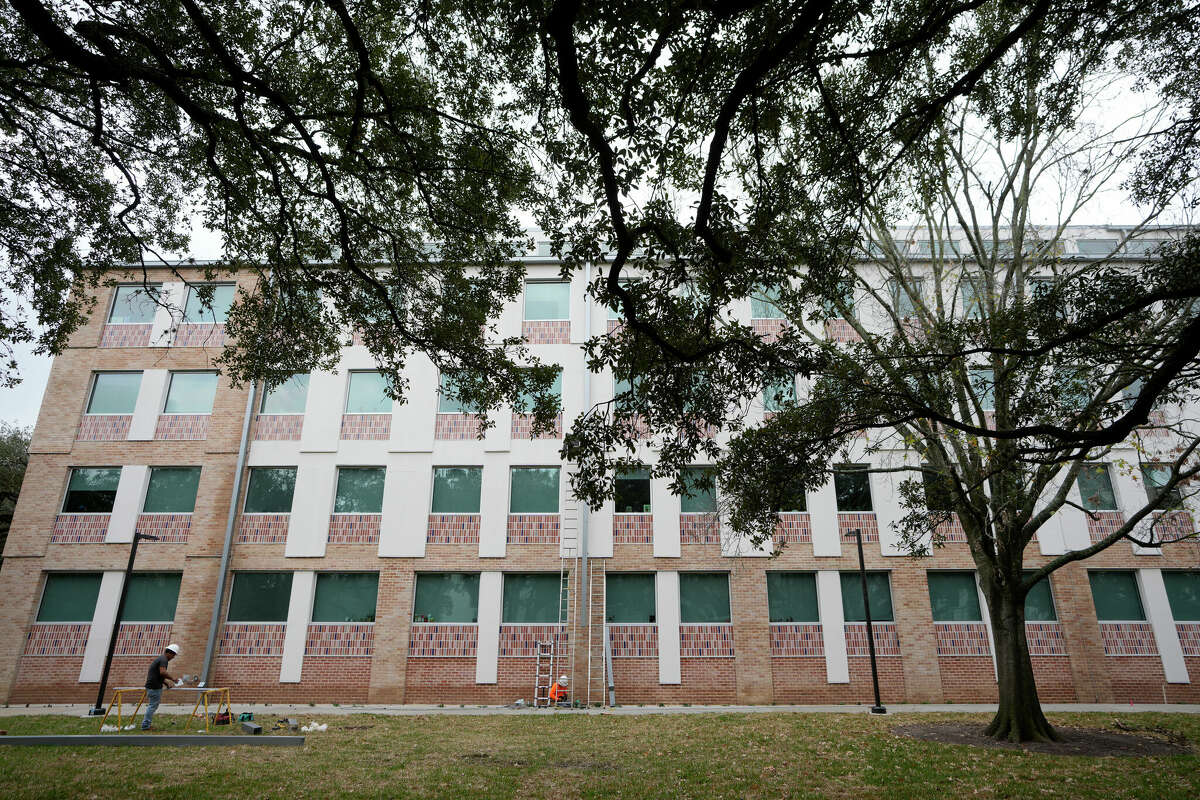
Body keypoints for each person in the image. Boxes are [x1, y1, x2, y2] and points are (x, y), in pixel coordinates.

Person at [141, 643, 179, 730]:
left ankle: (146, 725)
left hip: (152, 686)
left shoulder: (161, 659)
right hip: (154, 687)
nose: (173, 657)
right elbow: (162, 672)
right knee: (152, 706)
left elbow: (158, 675)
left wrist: (166, 683)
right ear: (170, 653)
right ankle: (146, 726)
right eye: (173, 655)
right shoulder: (164, 660)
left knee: (152, 706)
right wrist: (173, 679)